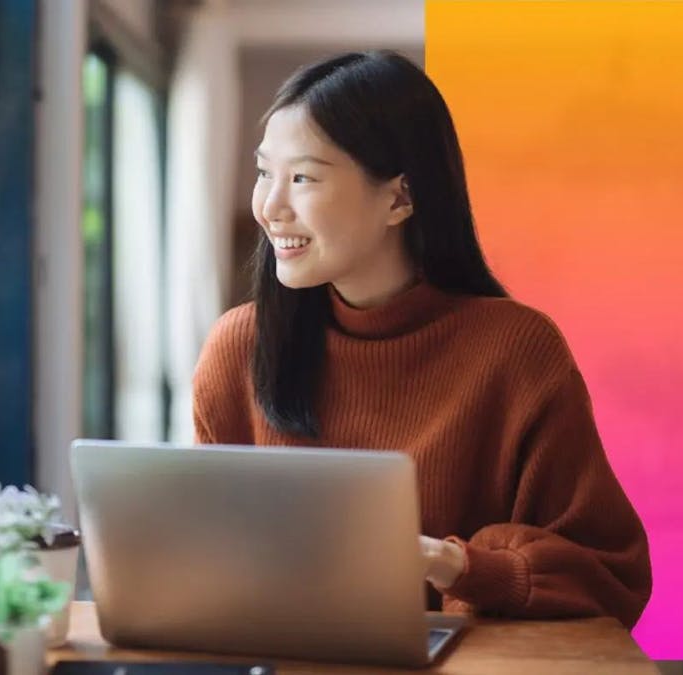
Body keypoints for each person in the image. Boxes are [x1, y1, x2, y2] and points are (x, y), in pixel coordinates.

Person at [191, 51, 651, 628]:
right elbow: (216, 557)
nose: (270, 207)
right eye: (264, 173)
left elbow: (614, 576)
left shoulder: (516, 351)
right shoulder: (238, 348)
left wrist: (458, 565)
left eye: (302, 177)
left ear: (400, 199)